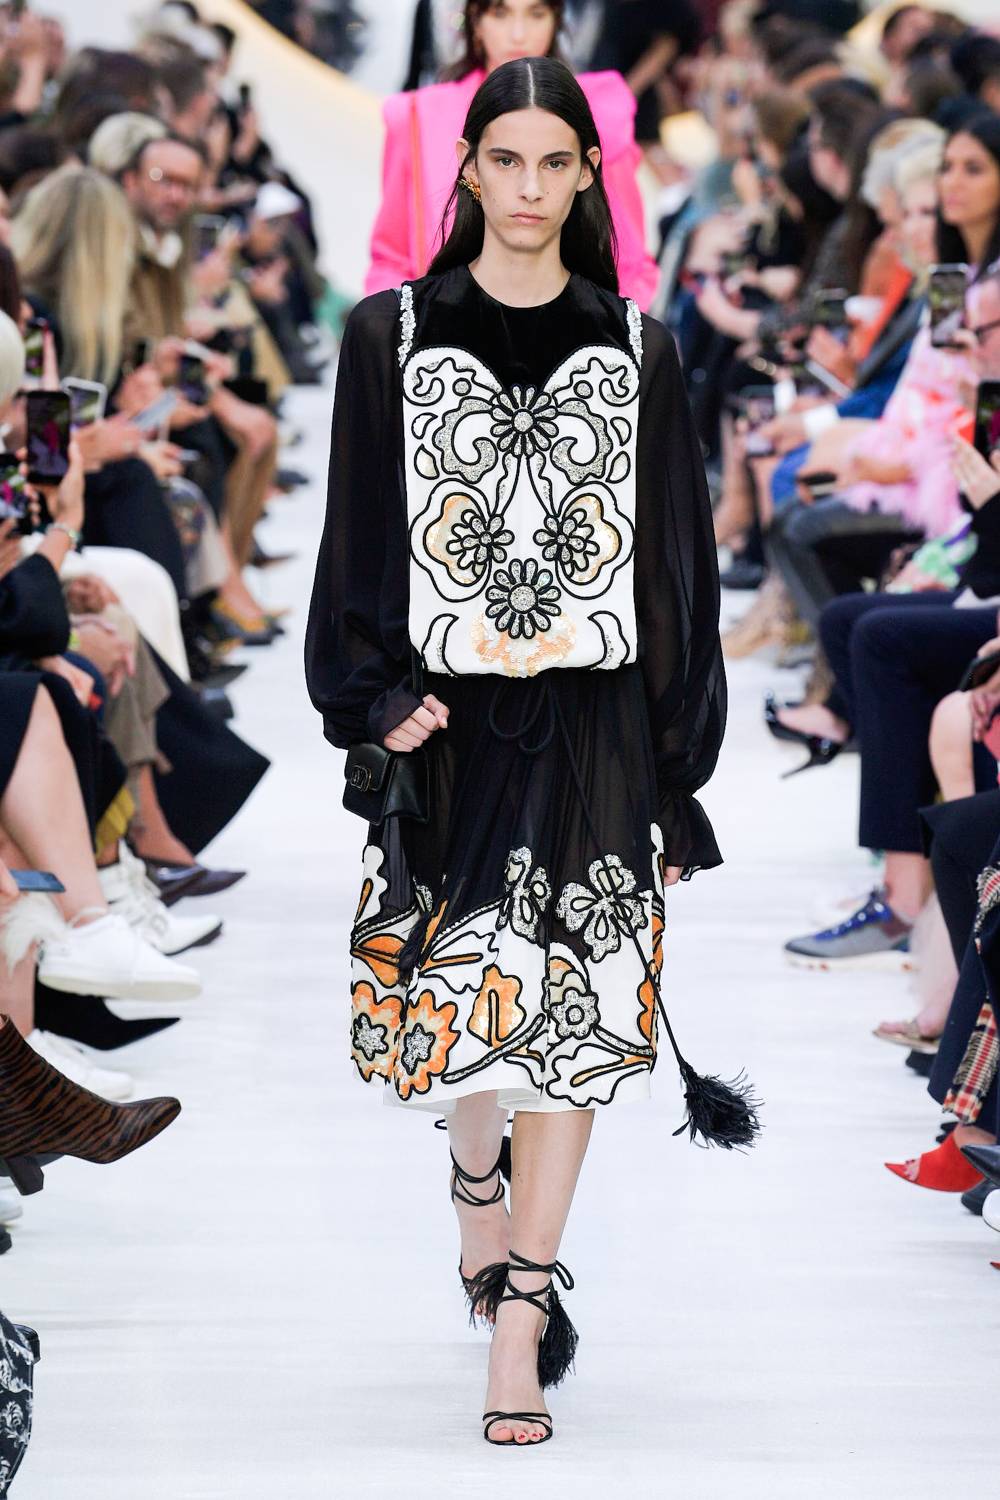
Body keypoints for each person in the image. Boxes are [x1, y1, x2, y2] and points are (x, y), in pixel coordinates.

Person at [308, 55, 757, 1448]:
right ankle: (475, 1189)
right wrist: (372, 694)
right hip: (452, 719)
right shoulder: (389, 334)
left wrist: (677, 772)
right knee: (461, 1014)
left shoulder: (638, 347)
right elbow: (358, 530)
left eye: (552, 162)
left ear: (585, 175)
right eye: (503, 159)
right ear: (466, 170)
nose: (526, 187)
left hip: (596, 720)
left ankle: (523, 1312)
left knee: (576, 1019)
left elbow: (672, 571)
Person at [364, 0, 659, 307]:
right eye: (500, 13)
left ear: (556, 21)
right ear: (475, 20)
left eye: (536, 14)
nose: (518, 34)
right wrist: (404, 325)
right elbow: (391, 257)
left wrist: (606, 329)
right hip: (438, 323)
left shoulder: (597, 114)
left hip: (566, 325)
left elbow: (630, 261)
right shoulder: (418, 118)